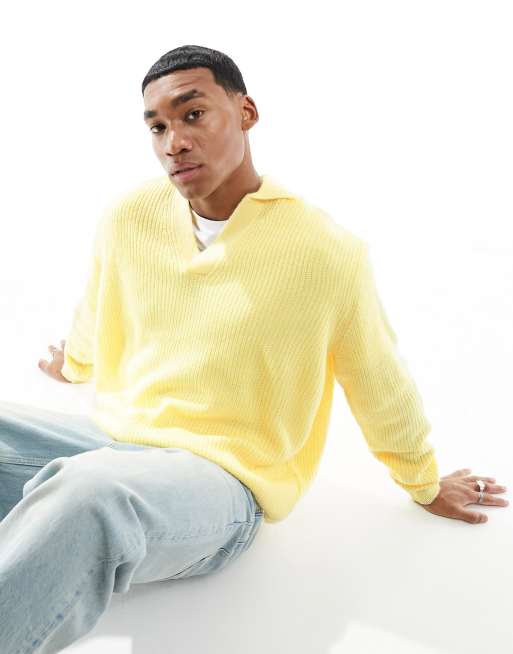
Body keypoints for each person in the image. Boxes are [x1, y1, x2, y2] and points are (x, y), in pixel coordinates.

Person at [1, 44, 508, 653]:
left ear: (246, 113)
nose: (174, 142)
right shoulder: (129, 216)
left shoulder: (324, 252)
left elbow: (378, 378)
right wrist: (76, 363)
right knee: (82, 473)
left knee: (91, 496)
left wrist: (423, 482)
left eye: (193, 114)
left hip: (222, 485)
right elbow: (101, 302)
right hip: (118, 444)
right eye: (157, 127)